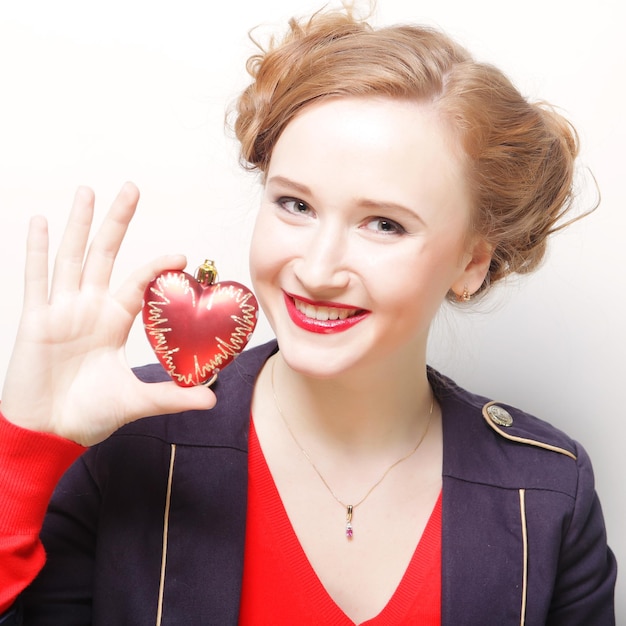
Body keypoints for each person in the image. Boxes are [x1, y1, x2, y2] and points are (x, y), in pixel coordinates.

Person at [0, 5, 617, 625]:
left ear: (472, 262)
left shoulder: (546, 492)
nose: (318, 270)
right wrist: (24, 445)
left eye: (385, 224)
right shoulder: (122, 438)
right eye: (294, 204)